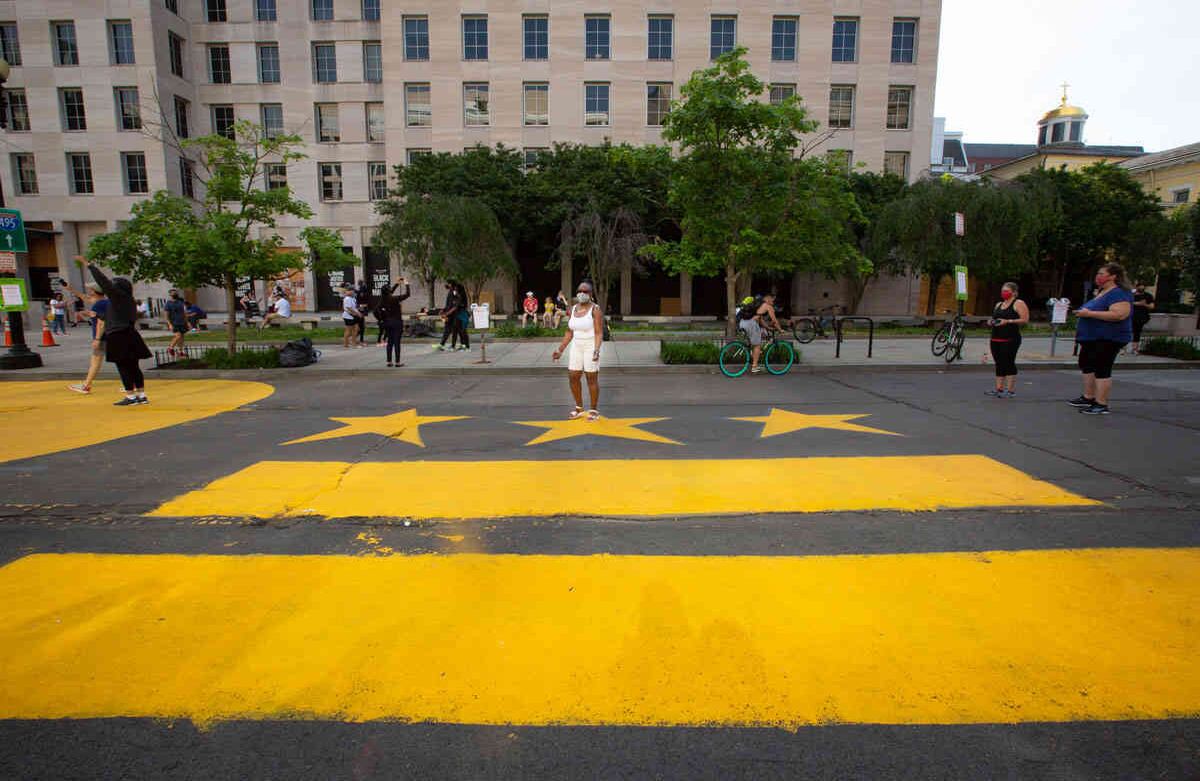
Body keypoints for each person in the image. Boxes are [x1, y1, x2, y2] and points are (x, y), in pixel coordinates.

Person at [1070, 262, 1134, 416]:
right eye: (1098, 274)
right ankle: (1088, 397)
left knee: (1102, 368)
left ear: (1113, 276)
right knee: (1087, 364)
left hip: (1108, 338)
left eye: (1101, 274)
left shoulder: (1119, 293)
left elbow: (1120, 314)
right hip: (1091, 338)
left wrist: (1089, 314)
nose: (1098, 277)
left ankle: (1101, 403)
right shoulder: (1102, 292)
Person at [87, 263, 152, 406]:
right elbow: (114, 317)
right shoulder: (128, 301)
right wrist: (98, 316)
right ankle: (141, 395)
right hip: (130, 334)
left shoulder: (118, 298)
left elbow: (104, 283)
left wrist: (90, 266)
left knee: (123, 367)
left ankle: (130, 396)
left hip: (118, 336)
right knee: (134, 366)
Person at [552, 280, 604, 420]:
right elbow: (569, 332)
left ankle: (593, 410)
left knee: (591, 378)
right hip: (577, 345)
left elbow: (599, 332)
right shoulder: (573, 309)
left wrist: (596, 350)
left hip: (591, 345)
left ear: (591, 294)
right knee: (573, 376)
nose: (581, 293)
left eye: (585, 291)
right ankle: (579, 408)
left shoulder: (595, 309)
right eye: (579, 291)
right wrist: (560, 350)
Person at [61, 280, 108, 394]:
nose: (89, 292)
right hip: (108, 335)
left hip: (102, 337)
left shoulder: (98, 304)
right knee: (119, 360)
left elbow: (101, 322)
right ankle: (132, 383)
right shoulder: (105, 302)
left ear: (95, 292)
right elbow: (86, 298)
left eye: (91, 290)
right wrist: (70, 289)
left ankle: (86, 385)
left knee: (96, 361)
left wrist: (97, 339)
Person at [985, 282, 1030, 398]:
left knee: (1008, 362)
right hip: (996, 337)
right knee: (999, 363)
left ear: (1014, 292)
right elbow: (995, 318)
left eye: (1006, 291)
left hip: (1010, 338)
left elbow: (1025, 319)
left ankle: (1010, 390)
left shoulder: (1018, 303)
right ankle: (999, 388)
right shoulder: (999, 304)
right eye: (1002, 291)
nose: (1003, 293)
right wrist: (991, 321)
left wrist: (1008, 321)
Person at [737, 293, 783, 374]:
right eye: (773, 300)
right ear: (768, 298)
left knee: (762, 333)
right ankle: (754, 367)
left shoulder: (757, 304)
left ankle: (754, 354)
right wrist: (780, 330)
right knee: (757, 345)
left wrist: (768, 328)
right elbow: (775, 321)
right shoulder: (768, 306)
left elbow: (760, 321)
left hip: (742, 322)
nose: (773, 302)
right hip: (751, 324)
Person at [376, 278, 411, 367]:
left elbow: (376, 310)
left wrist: (397, 284)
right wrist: (406, 284)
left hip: (387, 322)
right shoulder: (395, 299)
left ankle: (389, 361)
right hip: (397, 322)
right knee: (397, 342)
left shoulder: (382, 300)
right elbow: (407, 294)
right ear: (389, 291)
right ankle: (397, 362)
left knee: (390, 342)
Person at [435, 281, 462, 351]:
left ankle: (453, 346)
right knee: (447, 330)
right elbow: (448, 305)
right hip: (449, 315)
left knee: (454, 331)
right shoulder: (449, 293)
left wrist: (447, 313)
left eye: (448, 283)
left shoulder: (455, 293)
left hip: (455, 316)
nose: (446, 284)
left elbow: (455, 307)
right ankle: (441, 344)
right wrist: (443, 310)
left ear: (452, 285)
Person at [1130, 283, 1155, 353]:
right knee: (1128, 332)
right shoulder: (1131, 294)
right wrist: (1138, 303)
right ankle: (1123, 349)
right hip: (1130, 316)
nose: (1141, 288)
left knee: (1137, 332)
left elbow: (1152, 306)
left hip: (1141, 317)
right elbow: (1126, 303)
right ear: (1136, 287)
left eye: (1143, 287)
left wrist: (1144, 304)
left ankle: (1135, 349)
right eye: (1140, 286)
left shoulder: (1148, 296)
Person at [163, 289, 189, 357]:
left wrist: (187, 322)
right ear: (170, 294)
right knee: (178, 336)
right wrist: (169, 324)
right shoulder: (168, 304)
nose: (175, 293)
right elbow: (166, 315)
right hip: (174, 323)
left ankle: (180, 351)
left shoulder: (181, 302)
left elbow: (184, 313)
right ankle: (170, 348)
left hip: (182, 322)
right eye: (173, 293)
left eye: (176, 292)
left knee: (182, 337)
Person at [454, 283, 471, 351]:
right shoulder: (457, 296)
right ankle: (462, 345)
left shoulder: (462, 297)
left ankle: (467, 346)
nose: (455, 290)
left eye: (456, 288)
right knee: (460, 331)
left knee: (463, 331)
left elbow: (461, 306)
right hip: (458, 315)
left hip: (463, 316)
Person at [355, 279, 371, 345]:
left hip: (361, 309)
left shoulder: (360, 292)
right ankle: (357, 339)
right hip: (361, 309)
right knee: (360, 326)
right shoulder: (362, 291)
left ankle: (357, 339)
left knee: (361, 325)